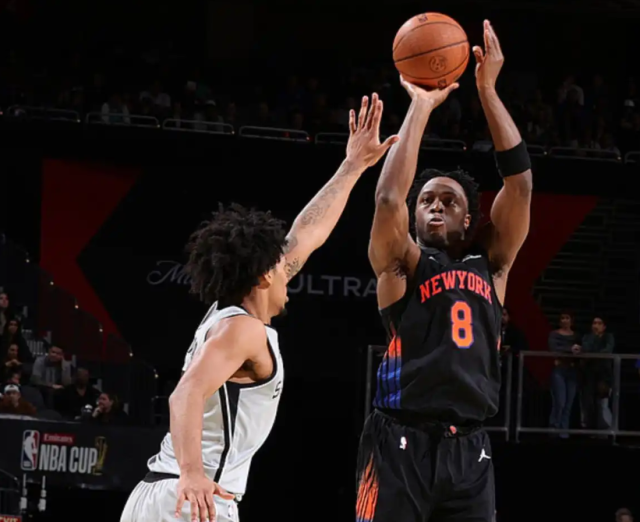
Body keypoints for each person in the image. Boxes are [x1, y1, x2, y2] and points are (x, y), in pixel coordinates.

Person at [121, 94, 398, 522]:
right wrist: (192, 474)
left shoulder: (226, 315)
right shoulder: (243, 330)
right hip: (192, 497)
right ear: (264, 276)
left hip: (161, 492)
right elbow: (185, 394)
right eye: (279, 267)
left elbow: (306, 235)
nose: (289, 270)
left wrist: (353, 166)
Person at [357, 21, 532, 522]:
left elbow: (520, 185)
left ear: (469, 218)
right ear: (414, 218)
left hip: (470, 447)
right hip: (398, 439)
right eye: (427, 200)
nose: (435, 205)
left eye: (449, 201)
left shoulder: (492, 265)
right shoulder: (402, 263)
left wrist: (487, 91)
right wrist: (420, 104)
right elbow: (388, 198)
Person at [548, 311, 580, 437]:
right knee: (559, 401)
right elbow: (554, 349)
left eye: (567, 318)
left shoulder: (576, 336)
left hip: (572, 370)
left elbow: (580, 350)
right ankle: (554, 428)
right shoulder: (554, 334)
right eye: (563, 318)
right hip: (559, 370)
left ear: (572, 320)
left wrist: (578, 351)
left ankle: (564, 431)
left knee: (568, 404)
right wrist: (569, 350)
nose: (565, 320)